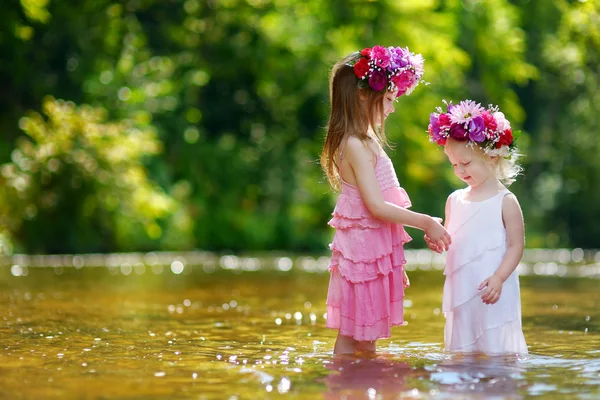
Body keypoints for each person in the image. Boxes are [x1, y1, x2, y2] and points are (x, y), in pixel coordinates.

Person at [320, 45, 451, 355]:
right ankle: (342, 386)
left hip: (372, 254)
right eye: (390, 100)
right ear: (364, 94)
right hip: (363, 255)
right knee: (355, 336)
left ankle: (363, 385)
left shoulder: (365, 140)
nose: (393, 108)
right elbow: (376, 206)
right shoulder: (353, 143)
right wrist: (426, 223)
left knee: (366, 338)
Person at [425, 99, 528, 355]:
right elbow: (451, 242)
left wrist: (499, 277)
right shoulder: (454, 200)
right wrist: (438, 242)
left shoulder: (506, 201)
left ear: (492, 157)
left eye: (466, 163)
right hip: (464, 286)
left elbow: (516, 246)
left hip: (493, 286)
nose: (459, 170)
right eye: (453, 164)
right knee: (464, 351)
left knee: (496, 348)